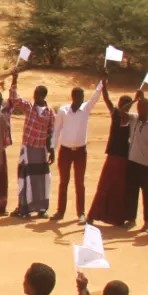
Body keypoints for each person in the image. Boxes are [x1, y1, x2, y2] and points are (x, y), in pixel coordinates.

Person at [5, 70, 55, 219]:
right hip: (27, 148)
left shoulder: (50, 112)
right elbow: (14, 99)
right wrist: (14, 79)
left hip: (40, 151)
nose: (34, 96)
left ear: (42, 96)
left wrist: (51, 151)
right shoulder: (29, 107)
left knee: (41, 179)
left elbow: (51, 132)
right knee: (24, 178)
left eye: (37, 94)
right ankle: (23, 207)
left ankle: (41, 208)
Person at [87, 79, 135, 226]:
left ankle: (117, 218)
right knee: (105, 186)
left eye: (123, 103)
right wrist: (104, 84)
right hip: (114, 156)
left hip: (123, 157)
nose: (120, 105)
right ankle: (93, 215)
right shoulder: (116, 115)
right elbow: (107, 98)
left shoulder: (131, 119)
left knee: (118, 188)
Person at [52, 86, 92, 222]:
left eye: (83, 97)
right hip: (65, 151)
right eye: (80, 96)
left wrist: (102, 83)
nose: (82, 99)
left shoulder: (86, 109)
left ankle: (81, 213)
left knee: (79, 183)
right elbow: (56, 130)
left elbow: (96, 97)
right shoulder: (63, 111)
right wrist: (52, 148)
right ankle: (60, 212)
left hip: (80, 151)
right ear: (74, 97)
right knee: (63, 182)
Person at [124, 93, 148, 230]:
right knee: (132, 192)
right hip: (132, 161)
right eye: (138, 107)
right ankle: (131, 219)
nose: (139, 110)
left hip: (146, 163)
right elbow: (122, 112)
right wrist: (134, 100)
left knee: (147, 194)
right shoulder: (134, 119)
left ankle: (147, 221)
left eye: (142, 107)